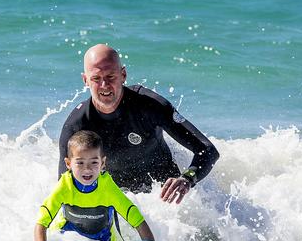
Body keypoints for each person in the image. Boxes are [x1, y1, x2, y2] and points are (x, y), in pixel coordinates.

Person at [59, 44, 220, 204]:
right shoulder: (77, 125)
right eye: (96, 78)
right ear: (85, 80)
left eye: (110, 76)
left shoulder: (149, 105)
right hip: (116, 198)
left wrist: (186, 179)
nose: (104, 85)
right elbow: (63, 188)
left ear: (123, 74)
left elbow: (208, 150)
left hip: (166, 197)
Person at [35, 130, 155, 241]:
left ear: (102, 163)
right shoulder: (65, 187)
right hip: (67, 240)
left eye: (94, 162)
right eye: (80, 162)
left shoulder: (107, 188)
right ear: (68, 164)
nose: (87, 169)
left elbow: (136, 218)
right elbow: (41, 222)